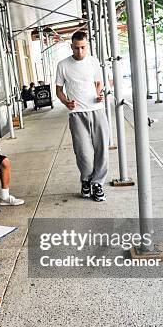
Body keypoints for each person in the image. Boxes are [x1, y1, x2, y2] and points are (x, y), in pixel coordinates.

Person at [55, 31, 108, 202]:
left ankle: (97, 183)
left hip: (97, 110)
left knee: (102, 149)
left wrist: (99, 95)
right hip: (77, 114)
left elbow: (99, 83)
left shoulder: (93, 61)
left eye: (83, 48)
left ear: (87, 46)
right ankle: (86, 179)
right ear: (71, 46)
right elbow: (58, 90)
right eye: (76, 48)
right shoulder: (63, 65)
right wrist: (66, 102)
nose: (80, 52)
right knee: (83, 152)